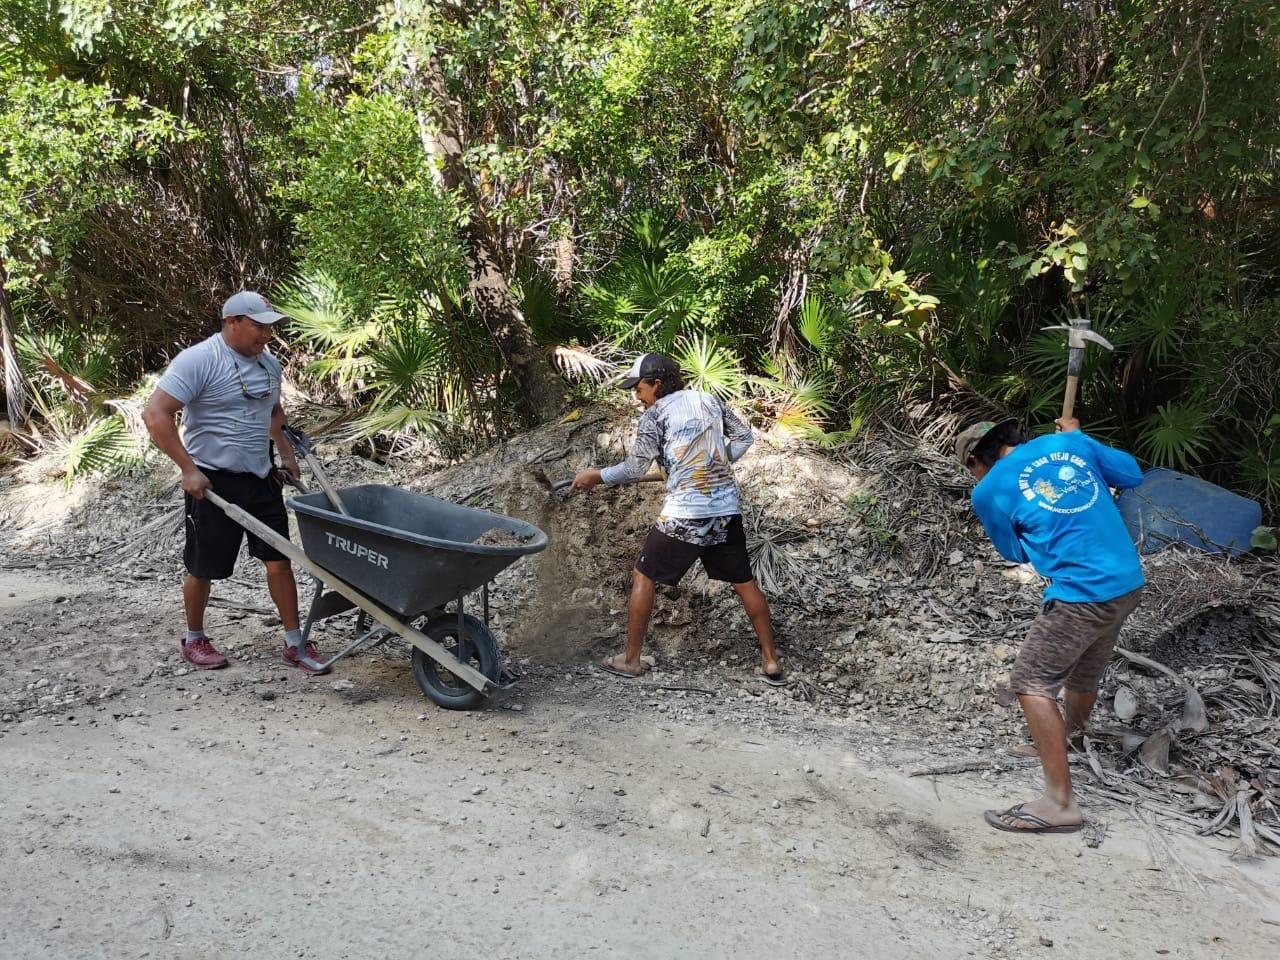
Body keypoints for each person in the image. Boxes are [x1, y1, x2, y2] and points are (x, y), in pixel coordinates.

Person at [957, 415, 1145, 833]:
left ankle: (1059, 802)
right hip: (1127, 582)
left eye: (970, 468)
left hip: (1082, 591)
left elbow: (1014, 553)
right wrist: (1080, 439)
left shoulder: (988, 490)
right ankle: (1073, 741)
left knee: (1031, 684)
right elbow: (1132, 475)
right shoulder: (1069, 445)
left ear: (976, 459)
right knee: (1084, 670)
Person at [142, 290, 329, 675]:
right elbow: (156, 415)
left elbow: (274, 411)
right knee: (203, 567)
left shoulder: (269, 365)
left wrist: (286, 454)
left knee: (279, 561)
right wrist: (188, 469)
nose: (266, 335)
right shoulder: (198, 360)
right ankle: (195, 637)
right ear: (232, 322)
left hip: (261, 478)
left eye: (270, 328)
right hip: (212, 482)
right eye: (259, 326)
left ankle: (294, 641)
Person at [572, 353, 783, 684]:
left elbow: (633, 469)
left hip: (685, 514)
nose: (637, 397)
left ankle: (630, 660)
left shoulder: (655, 416)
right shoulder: (710, 400)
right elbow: (744, 437)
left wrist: (594, 475)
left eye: (639, 389)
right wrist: (713, 464)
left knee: (644, 575)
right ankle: (771, 661)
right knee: (745, 582)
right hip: (724, 513)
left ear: (657, 384)